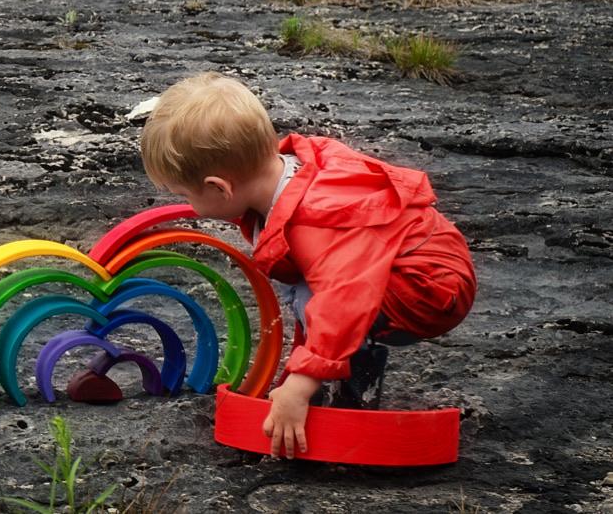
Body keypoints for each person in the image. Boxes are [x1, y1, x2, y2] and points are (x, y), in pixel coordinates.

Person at [140, 71, 476, 459]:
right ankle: (328, 372)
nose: (191, 207)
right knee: (306, 289)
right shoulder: (283, 171)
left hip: (427, 289)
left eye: (185, 195)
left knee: (312, 296)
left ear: (220, 187)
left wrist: (299, 386)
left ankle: (351, 399)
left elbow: (344, 298)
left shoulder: (315, 217)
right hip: (400, 268)